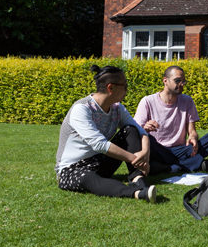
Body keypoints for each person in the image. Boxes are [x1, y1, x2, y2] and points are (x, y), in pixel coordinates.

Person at [55, 65, 157, 202]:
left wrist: (145, 153)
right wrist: (134, 158)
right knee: (88, 178)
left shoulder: (117, 108)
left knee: (129, 130)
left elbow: (139, 130)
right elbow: (99, 144)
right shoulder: (82, 109)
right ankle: (138, 193)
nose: (127, 90)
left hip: (99, 162)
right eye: (125, 86)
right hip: (71, 170)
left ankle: (137, 178)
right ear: (110, 88)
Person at [134, 66, 208, 175]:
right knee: (148, 140)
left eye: (183, 81)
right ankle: (190, 164)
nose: (181, 84)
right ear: (165, 81)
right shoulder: (147, 101)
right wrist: (144, 129)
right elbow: (135, 132)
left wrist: (193, 137)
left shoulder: (187, 101)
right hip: (159, 149)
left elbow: (192, 131)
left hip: (182, 150)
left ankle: (169, 167)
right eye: (177, 80)